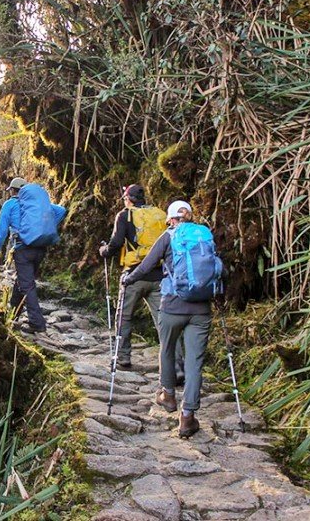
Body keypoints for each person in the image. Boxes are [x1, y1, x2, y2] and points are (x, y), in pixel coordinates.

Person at [122, 200, 216, 438]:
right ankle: (187, 417)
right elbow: (218, 270)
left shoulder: (169, 237)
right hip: (201, 310)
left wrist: (129, 279)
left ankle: (168, 396)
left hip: (172, 306)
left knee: (166, 349)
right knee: (195, 362)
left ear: (171, 219)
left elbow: (146, 266)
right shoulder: (204, 237)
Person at [99, 184, 183, 375]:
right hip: (159, 276)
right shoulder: (161, 215)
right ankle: (177, 365)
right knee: (165, 320)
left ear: (128, 199)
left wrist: (104, 251)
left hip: (133, 276)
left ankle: (123, 357)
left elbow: (116, 243)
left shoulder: (125, 215)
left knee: (124, 317)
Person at [0, 177, 67, 334]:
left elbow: (2, 228)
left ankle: (37, 323)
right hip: (40, 248)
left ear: (13, 191)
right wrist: (46, 226)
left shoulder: (10, 204)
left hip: (23, 248)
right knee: (22, 281)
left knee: (27, 285)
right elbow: (61, 211)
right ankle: (13, 313)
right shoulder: (38, 205)